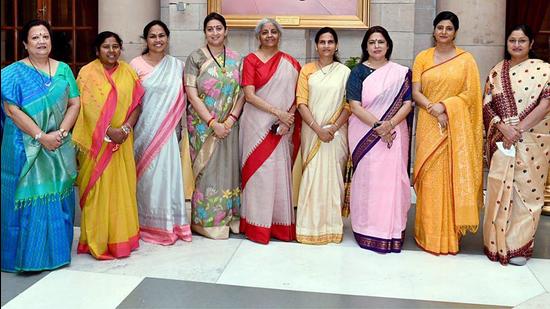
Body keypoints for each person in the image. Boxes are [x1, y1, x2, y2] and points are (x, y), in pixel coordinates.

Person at [1, 19, 80, 272]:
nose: (41, 41)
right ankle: (25, 257)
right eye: (35, 37)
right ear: (25, 43)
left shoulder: (63, 70)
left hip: (58, 144)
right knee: (25, 199)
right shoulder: (11, 73)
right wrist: (40, 137)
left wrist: (61, 132)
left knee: (56, 196)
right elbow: (11, 110)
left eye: (45, 36)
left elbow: (75, 103)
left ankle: (55, 253)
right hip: (23, 146)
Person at [412, 11, 483, 255]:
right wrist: (434, 108)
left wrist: (446, 106)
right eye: (440, 27)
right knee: (430, 180)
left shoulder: (466, 60)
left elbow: (471, 95)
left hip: (454, 126)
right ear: (434, 30)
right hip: (428, 124)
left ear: (455, 32)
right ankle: (427, 234)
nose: (444, 32)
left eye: (449, 28)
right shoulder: (422, 57)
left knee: (451, 178)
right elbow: (415, 91)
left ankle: (448, 237)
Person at [73, 31, 144, 259]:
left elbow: (137, 105)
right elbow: (83, 108)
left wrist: (124, 130)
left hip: (122, 142)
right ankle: (96, 241)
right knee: (96, 193)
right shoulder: (86, 73)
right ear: (97, 50)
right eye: (106, 47)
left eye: (116, 46)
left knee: (121, 191)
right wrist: (107, 132)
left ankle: (120, 239)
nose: (111, 51)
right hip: (96, 145)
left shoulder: (128, 71)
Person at [482, 24, 550, 266]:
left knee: (527, 193)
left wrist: (517, 130)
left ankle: (518, 245)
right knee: (499, 188)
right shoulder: (496, 72)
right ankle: (494, 242)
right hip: (503, 141)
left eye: (522, 41)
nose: (517, 45)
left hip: (531, 141)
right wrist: (504, 129)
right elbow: (487, 105)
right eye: (513, 40)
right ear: (507, 43)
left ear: (531, 44)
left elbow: (546, 104)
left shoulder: (545, 70)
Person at [345, 26, 412, 253]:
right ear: (366, 46)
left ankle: (390, 232)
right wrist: (378, 126)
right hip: (365, 133)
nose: (376, 46)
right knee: (367, 180)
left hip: (393, 134)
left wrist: (389, 125)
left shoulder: (400, 73)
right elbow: (354, 105)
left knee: (391, 182)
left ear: (388, 45)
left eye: (381, 42)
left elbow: (407, 103)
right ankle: (366, 229)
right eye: (372, 42)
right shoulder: (357, 72)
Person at [130, 20, 192, 245]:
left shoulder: (177, 66)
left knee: (166, 175)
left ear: (168, 38)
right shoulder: (135, 65)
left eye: (161, 35)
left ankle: (169, 224)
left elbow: (184, 99)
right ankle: (144, 224)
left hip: (168, 132)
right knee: (146, 179)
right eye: (153, 36)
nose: (158, 40)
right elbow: (130, 100)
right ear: (146, 40)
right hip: (143, 132)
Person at [240, 18, 301, 244]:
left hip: (281, 127)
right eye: (264, 32)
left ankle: (278, 225)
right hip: (256, 124)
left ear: (279, 35)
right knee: (258, 175)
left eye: (273, 32)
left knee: (277, 173)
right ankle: (257, 226)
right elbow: (249, 95)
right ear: (259, 36)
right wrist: (279, 113)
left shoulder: (291, 63)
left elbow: (298, 97)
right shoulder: (251, 60)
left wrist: (287, 119)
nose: (269, 36)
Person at [184, 13, 244, 239]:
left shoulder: (238, 59)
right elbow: (191, 93)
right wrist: (212, 122)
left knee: (229, 169)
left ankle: (231, 219)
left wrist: (229, 120)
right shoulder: (195, 58)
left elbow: (242, 94)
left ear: (226, 31)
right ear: (204, 32)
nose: (215, 33)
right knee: (207, 172)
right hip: (202, 127)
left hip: (229, 124)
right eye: (210, 29)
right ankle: (206, 222)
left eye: (219, 28)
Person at [295, 27, 350, 245]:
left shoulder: (345, 72)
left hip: (336, 135)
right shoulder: (307, 70)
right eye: (322, 42)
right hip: (312, 132)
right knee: (312, 177)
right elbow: (301, 102)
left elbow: (350, 104)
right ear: (316, 45)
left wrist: (334, 127)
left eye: (330, 42)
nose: (326, 46)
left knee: (333, 180)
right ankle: (308, 227)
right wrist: (318, 128)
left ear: (336, 46)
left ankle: (332, 228)